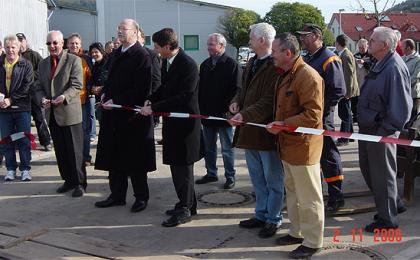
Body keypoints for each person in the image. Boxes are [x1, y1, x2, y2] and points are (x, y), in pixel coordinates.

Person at [268, 32, 324, 259]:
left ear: (287, 53)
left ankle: (313, 241)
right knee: (293, 193)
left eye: (274, 51)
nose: (272, 55)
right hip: (289, 146)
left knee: (309, 197)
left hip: (303, 147)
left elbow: (313, 115)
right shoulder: (288, 74)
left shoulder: (307, 76)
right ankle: (297, 231)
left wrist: (283, 124)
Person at [140, 28, 203, 227]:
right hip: (173, 125)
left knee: (183, 169)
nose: (155, 49)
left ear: (168, 46)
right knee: (177, 167)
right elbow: (164, 89)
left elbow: (184, 96)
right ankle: (187, 203)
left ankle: (185, 209)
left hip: (186, 127)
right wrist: (151, 100)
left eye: (157, 47)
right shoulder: (167, 62)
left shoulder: (188, 65)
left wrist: (155, 108)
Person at [94, 19, 156, 213]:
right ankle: (117, 195)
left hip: (132, 117)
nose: (120, 31)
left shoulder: (142, 55)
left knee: (135, 160)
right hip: (113, 116)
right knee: (114, 158)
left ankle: (141, 197)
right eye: (118, 28)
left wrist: (118, 100)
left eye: (124, 29)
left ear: (135, 32)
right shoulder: (116, 54)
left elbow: (141, 89)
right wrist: (105, 94)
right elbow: (111, 80)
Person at [229, 23, 285, 238]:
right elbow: (244, 90)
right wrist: (236, 102)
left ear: (262, 40)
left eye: (251, 37)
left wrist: (245, 115)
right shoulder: (252, 61)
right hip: (249, 130)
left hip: (265, 132)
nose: (249, 41)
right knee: (257, 178)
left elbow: (269, 100)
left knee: (273, 179)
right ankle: (261, 214)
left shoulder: (275, 64)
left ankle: (274, 218)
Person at [358, 27, 412, 232]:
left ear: (385, 45)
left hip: (380, 132)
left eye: (372, 40)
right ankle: (393, 204)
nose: (368, 43)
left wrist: (384, 131)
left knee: (383, 175)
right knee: (370, 170)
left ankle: (387, 219)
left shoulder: (393, 67)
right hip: (370, 129)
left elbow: (401, 108)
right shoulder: (382, 62)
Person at [297, 23, 346, 213]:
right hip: (307, 117)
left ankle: (336, 197)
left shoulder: (329, 59)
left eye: (305, 35)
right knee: (312, 157)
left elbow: (338, 90)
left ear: (316, 36)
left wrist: (319, 111)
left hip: (322, 118)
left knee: (328, 156)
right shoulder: (308, 58)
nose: (301, 39)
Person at [34, 30, 86, 197]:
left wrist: (64, 97)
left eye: (55, 43)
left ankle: (79, 182)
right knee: (61, 151)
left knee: (74, 151)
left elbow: (77, 85)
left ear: (62, 43)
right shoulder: (43, 64)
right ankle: (68, 180)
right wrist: (42, 99)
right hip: (52, 114)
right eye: (49, 43)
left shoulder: (74, 60)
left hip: (70, 113)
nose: (52, 46)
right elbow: (38, 86)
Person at [195, 33, 240, 189]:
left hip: (224, 115)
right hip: (207, 114)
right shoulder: (206, 64)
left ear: (222, 46)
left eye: (211, 45)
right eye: (208, 44)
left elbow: (236, 90)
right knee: (209, 147)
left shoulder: (231, 65)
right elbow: (200, 89)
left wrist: (230, 111)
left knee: (227, 148)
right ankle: (211, 173)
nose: (208, 48)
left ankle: (230, 176)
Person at [0, 35, 33, 181]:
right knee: (7, 140)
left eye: (13, 47)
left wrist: (11, 99)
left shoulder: (25, 64)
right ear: (4, 49)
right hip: (4, 110)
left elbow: (27, 86)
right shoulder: (0, 63)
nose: (10, 50)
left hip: (21, 108)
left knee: (23, 140)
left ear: (18, 48)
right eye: (7, 47)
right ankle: (11, 169)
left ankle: (25, 169)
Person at [16, 32, 52, 151]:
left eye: (21, 40)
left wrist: (29, 75)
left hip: (33, 92)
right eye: (18, 40)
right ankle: (22, 143)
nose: (20, 42)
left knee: (39, 118)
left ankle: (46, 141)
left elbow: (43, 69)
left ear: (25, 41)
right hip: (19, 94)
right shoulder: (14, 56)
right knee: (21, 120)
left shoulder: (34, 55)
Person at [67, 33, 94, 166]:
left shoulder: (86, 59)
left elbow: (91, 76)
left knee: (85, 130)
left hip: (83, 100)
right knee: (70, 131)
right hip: (67, 101)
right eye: (72, 43)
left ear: (80, 45)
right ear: (67, 45)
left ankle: (86, 157)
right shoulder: (63, 59)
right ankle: (73, 157)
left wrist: (90, 89)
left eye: (77, 43)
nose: (74, 45)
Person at [335, 34, 359, 146]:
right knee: (346, 113)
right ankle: (350, 135)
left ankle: (344, 138)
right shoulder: (345, 54)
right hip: (347, 90)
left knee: (344, 113)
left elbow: (348, 75)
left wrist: (347, 93)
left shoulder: (346, 55)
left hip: (346, 91)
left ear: (337, 43)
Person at [353, 38, 374, 122]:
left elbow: (373, 66)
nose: (361, 49)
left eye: (363, 47)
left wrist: (364, 63)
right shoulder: (356, 55)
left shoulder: (371, 55)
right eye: (359, 47)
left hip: (366, 82)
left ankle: (364, 116)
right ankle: (355, 116)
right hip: (357, 81)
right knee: (355, 101)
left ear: (367, 46)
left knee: (365, 101)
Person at [89, 42, 108, 124]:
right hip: (99, 101)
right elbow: (92, 80)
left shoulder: (110, 63)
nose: (94, 54)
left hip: (110, 100)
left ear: (102, 51)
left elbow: (115, 81)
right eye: (92, 52)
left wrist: (102, 88)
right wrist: (92, 88)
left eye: (96, 52)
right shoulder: (94, 66)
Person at [402, 38, 420, 119]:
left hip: (413, 94)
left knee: (412, 119)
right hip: (402, 93)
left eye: (402, 46)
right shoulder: (402, 58)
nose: (401, 47)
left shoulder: (418, 60)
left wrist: (403, 84)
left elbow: (416, 77)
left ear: (408, 47)